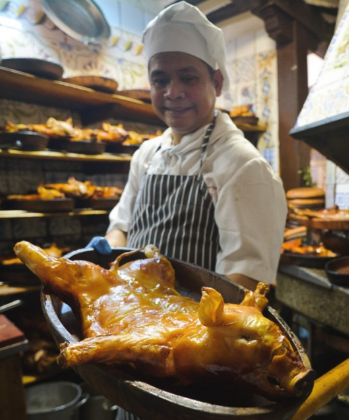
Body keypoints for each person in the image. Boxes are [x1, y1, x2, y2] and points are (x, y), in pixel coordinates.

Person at [87, 2, 286, 294]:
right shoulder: (147, 154)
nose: (172, 92)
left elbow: (244, 280)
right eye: (160, 79)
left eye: (188, 77)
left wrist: (187, 328)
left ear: (216, 83)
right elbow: (122, 226)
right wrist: (109, 256)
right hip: (133, 311)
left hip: (195, 328)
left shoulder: (241, 164)